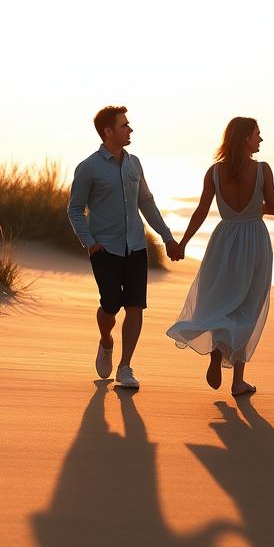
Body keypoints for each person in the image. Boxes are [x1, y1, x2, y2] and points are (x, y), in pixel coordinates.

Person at [68, 106, 182, 389]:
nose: (130, 130)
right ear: (108, 131)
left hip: (136, 246)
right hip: (104, 249)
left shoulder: (135, 164)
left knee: (135, 307)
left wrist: (167, 237)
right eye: (124, 126)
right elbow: (74, 210)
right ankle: (106, 341)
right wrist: (90, 244)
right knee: (110, 306)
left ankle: (125, 366)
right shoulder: (88, 167)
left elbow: (146, 202)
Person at [166, 117, 274, 396]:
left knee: (222, 301)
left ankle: (218, 347)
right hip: (254, 241)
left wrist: (182, 243)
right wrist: (255, 209)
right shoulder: (263, 170)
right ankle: (238, 381)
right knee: (248, 307)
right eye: (257, 134)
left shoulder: (214, 173)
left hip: (223, 241)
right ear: (245, 138)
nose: (260, 140)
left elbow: (201, 212)